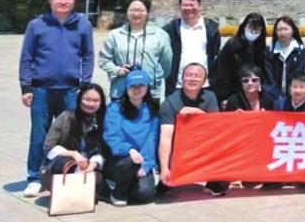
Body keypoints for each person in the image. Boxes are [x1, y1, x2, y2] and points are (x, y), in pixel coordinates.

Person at [19, 0, 95, 197]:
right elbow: (26, 58)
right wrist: (26, 87)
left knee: (71, 135)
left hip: (71, 90)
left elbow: (88, 56)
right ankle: (35, 178)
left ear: (74, 1)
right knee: (39, 136)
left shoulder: (83, 25)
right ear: (51, 1)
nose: (63, 1)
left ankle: (67, 173)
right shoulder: (37, 25)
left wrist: (84, 84)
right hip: (41, 90)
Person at [158, 62, 227, 196]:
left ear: (204, 81)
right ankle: (167, 175)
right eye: (189, 75)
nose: (192, 79)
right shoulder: (169, 102)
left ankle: (214, 180)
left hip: (201, 144)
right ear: (182, 78)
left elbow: (215, 128)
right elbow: (165, 138)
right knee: (163, 185)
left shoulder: (210, 96)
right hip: (178, 148)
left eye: (197, 76)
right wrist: (164, 167)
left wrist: (196, 112)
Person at [98, 0, 173, 100]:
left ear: (147, 12)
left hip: (150, 91)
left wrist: (155, 77)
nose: (136, 14)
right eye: (132, 10)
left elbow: (166, 64)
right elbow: (104, 59)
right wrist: (117, 70)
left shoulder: (161, 35)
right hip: (120, 90)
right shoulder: (114, 35)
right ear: (127, 12)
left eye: (140, 10)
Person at [103, 70, 159, 206]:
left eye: (141, 85)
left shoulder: (152, 110)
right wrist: (130, 150)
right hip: (121, 160)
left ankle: (124, 186)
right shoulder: (114, 108)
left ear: (147, 87)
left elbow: (152, 140)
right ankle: (118, 193)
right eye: (132, 85)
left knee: (145, 193)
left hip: (141, 160)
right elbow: (112, 137)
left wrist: (145, 166)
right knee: (129, 164)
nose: (137, 89)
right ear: (126, 88)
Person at [40, 83, 107, 197]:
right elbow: (48, 146)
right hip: (66, 164)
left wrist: (93, 164)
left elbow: (105, 150)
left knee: (97, 179)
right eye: (87, 99)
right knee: (64, 162)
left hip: (90, 165)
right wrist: (74, 154)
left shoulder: (105, 120)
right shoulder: (66, 117)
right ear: (80, 99)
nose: (91, 104)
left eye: (96, 100)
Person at [164, 0, 221, 96]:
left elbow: (215, 54)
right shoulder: (171, 28)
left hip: (205, 86)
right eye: (185, 5)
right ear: (180, 7)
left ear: (200, 6)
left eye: (192, 5)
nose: (188, 8)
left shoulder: (211, 29)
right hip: (178, 86)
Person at [214, 12, 271, 105]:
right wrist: (224, 96)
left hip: (254, 93)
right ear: (244, 27)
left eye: (257, 29)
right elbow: (222, 72)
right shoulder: (232, 45)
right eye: (251, 28)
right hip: (234, 93)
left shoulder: (261, 47)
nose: (253, 32)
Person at [264, 16, 305, 101]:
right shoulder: (269, 50)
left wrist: (291, 94)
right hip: (272, 96)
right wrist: (277, 95)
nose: (282, 32)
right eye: (279, 29)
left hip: (293, 96)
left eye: (285, 29)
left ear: (293, 30)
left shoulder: (299, 50)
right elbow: (268, 76)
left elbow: (299, 73)